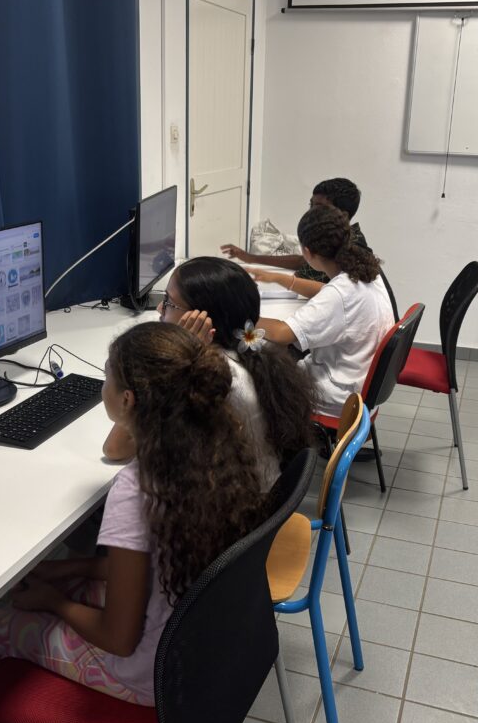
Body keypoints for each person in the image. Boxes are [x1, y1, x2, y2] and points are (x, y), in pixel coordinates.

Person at [0, 323, 267, 723]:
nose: (101, 383)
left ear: (128, 401)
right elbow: (151, 565)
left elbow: (118, 638)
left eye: (107, 375)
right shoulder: (215, 453)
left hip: (149, 677)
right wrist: (67, 570)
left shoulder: (137, 487)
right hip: (201, 652)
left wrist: (54, 601)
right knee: (62, 585)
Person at [104, 257, 314, 491]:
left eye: (169, 302)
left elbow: (115, 448)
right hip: (257, 494)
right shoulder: (250, 353)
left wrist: (176, 353)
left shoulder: (206, 379)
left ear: (202, 320)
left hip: (237, 507)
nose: (160, 309)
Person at [255, 205, 394, 417]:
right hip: (363, 382)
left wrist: (240, 312)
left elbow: (282, 333)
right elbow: (327, 291)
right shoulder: (367, 272)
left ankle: (276, 434)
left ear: (307, 251)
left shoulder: (339, 294)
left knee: (261, 375)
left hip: (338, 395)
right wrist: (280, 279)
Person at [220, 177, 368, 298]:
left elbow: (339, 293)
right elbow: (302, 261)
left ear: (343, 214)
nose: (311, 211)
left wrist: (278, 278)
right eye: (311, 204)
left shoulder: (354, 247)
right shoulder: (331, 237)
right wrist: (250, 258)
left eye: (319, 207)